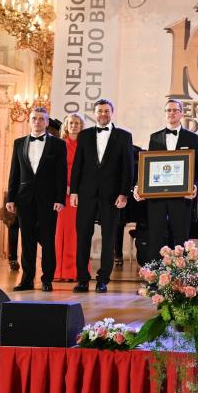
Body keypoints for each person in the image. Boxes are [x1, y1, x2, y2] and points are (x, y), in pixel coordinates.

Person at [70, 99, 134, 294]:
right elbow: (78, 165)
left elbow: (128, 167)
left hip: (112, 195)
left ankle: (103, 279)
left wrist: (124, 193)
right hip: (86, 194)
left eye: (106, 111)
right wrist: (74, 191)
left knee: (109, 237)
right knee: (83, 236)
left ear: (112, 113)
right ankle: (82, 279)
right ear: (94, 113)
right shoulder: (84, 135)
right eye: (100, 111)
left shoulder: (124, 136)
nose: (103, 114)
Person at [6, 107, 67, 292]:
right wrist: (11, 198)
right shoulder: (19, 143)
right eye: (34, 118)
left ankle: (47, 280)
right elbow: (14, 173)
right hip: (24, 199)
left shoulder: (58, 144)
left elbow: (61, 174)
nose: (37, 122)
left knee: (48, 241)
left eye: (41, 119)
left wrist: (60, 199)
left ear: (47, 122)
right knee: (27, 242)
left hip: (48, 200)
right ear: (29, 121)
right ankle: (27, 280)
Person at [134, 99, 198, 259]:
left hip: (181, 196)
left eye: (175, 110)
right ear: (165, 114)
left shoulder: (192, 138)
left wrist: (194, 185)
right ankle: (154, 273)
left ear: (181, 113)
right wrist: (139, 185)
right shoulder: (155, 137)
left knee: (181, 237)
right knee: (155, 236)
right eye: (168, 110)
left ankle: (182, 273)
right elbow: (147, 167)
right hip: (157, 196)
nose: (171, 113)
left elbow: (197, 167)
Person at [54, 113, 84, 282]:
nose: (74, 126)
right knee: (59, 234)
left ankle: (73, 272)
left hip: (78, 195)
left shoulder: (85, 145)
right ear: (66, 126)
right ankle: (57, 272)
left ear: (81, 126)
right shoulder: (60, 145)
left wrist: (76, 189)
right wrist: (62, 187)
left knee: (75, 234)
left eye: (77, 123)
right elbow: (55, 169)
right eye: (71, 123)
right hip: (62, 194)